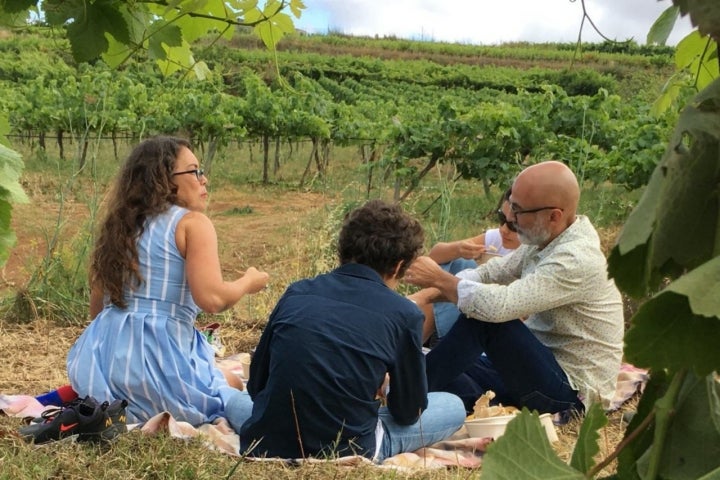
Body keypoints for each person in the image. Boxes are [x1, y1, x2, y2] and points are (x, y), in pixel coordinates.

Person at [224, 200, 466, 462]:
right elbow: (409, 412)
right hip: (346, 448)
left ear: (343, 249)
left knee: (235, 403)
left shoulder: (297, 292)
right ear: (398, 266)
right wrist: (383, 389)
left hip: (268, 441)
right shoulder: (404, 313)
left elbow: (257, 386)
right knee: (453, 406)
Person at [66, 136, 269, 426]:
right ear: (163, 179)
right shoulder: (191, 224)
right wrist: (249, 281)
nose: (204, 179)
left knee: (223, 370)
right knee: (226, 390)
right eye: (195, 171)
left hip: (102, 379)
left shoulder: (119, 227)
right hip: (163, 378)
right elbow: (212, 299)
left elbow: (98, 311)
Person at [404, 161, 624, 416]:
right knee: (451, 367)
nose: (509, 218)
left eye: (518, 211)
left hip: (572, 393)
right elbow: (490, 273)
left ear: (554, 215)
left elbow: (498, 307)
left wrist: (439, 279)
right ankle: (413, 384)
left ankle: (406, 394)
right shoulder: (545, 237)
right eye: (508, 208)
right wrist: (421, 296)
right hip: (537, 370)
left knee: (485, 319)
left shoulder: (575, 258)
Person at [410, 188, 520, 343]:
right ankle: (419, 341)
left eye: (513, 225)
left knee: (462, 275)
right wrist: (458, 249)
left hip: (499, 315)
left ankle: (424, 341)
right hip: (468, 307)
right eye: (501, 218)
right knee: (457, 262)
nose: (504, 229)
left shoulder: (536, 255)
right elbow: (434, 257)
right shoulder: (497, 237)